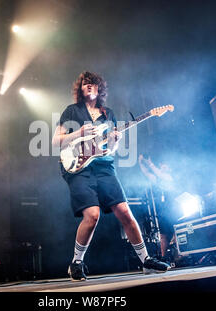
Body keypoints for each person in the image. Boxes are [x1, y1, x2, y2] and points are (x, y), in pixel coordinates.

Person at [52, 71, 170, 281]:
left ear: (99, 89)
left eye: (93, 83)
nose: (88, 85)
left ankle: (146, 261)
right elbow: (55, 142)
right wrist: (78, 134)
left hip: (104, 167)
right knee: (92, 216)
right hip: (79, 168)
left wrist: (115, 139)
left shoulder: (108, 114)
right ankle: (76, 263)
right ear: (80, 88)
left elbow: (109, 150)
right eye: (85, 83)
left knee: (125, 211)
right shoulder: (72, 111)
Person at [138, 154, 177, 260]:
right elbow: (147, 174)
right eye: (161, 165)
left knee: (176, 232)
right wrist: (141, 163)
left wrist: (150, 163)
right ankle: (164, 257)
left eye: (164, 165)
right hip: (163, 212)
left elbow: (159, 174)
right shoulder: (158, 179)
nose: (162, 166)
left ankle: (180, 254)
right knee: (163, 235)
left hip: (173, 210)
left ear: (169, 168)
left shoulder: (169, 177)